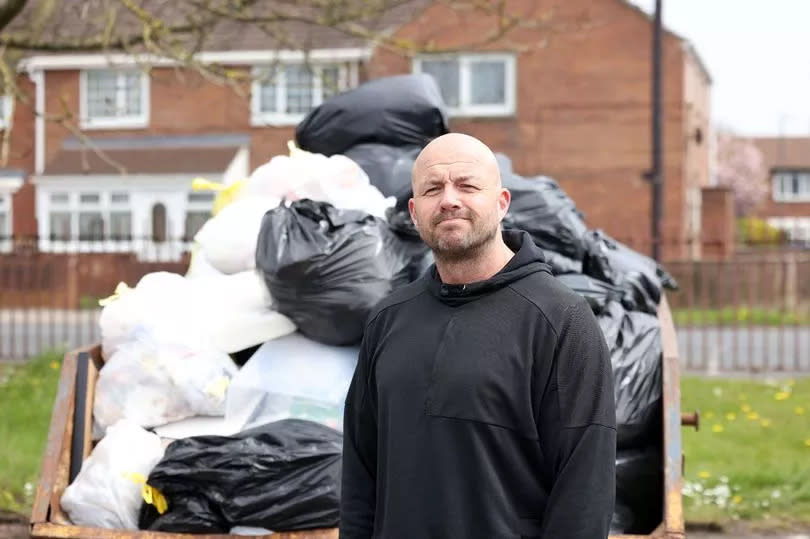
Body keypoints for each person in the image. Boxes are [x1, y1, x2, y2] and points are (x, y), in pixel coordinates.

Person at [340, 133, 616, 539]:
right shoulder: (388, 319)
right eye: (433, 189)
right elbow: (361, 475)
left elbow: (584, 491)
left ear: (502, 203)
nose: (449, 199)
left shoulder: (560, 319)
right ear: (415, 212)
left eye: (467, 185)